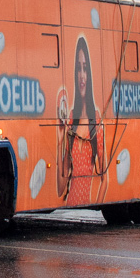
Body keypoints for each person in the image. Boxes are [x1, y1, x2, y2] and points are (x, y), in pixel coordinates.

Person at [58, 37, 107, 203]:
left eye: (85, 69)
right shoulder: (71, 118)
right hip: (70, 201)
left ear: (90, 74)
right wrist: (59, 143)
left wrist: (98, 204)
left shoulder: (97, 120)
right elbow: (61, 187)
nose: (82, 76)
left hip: (86, 199)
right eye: (78, 69)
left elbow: (104, 179)